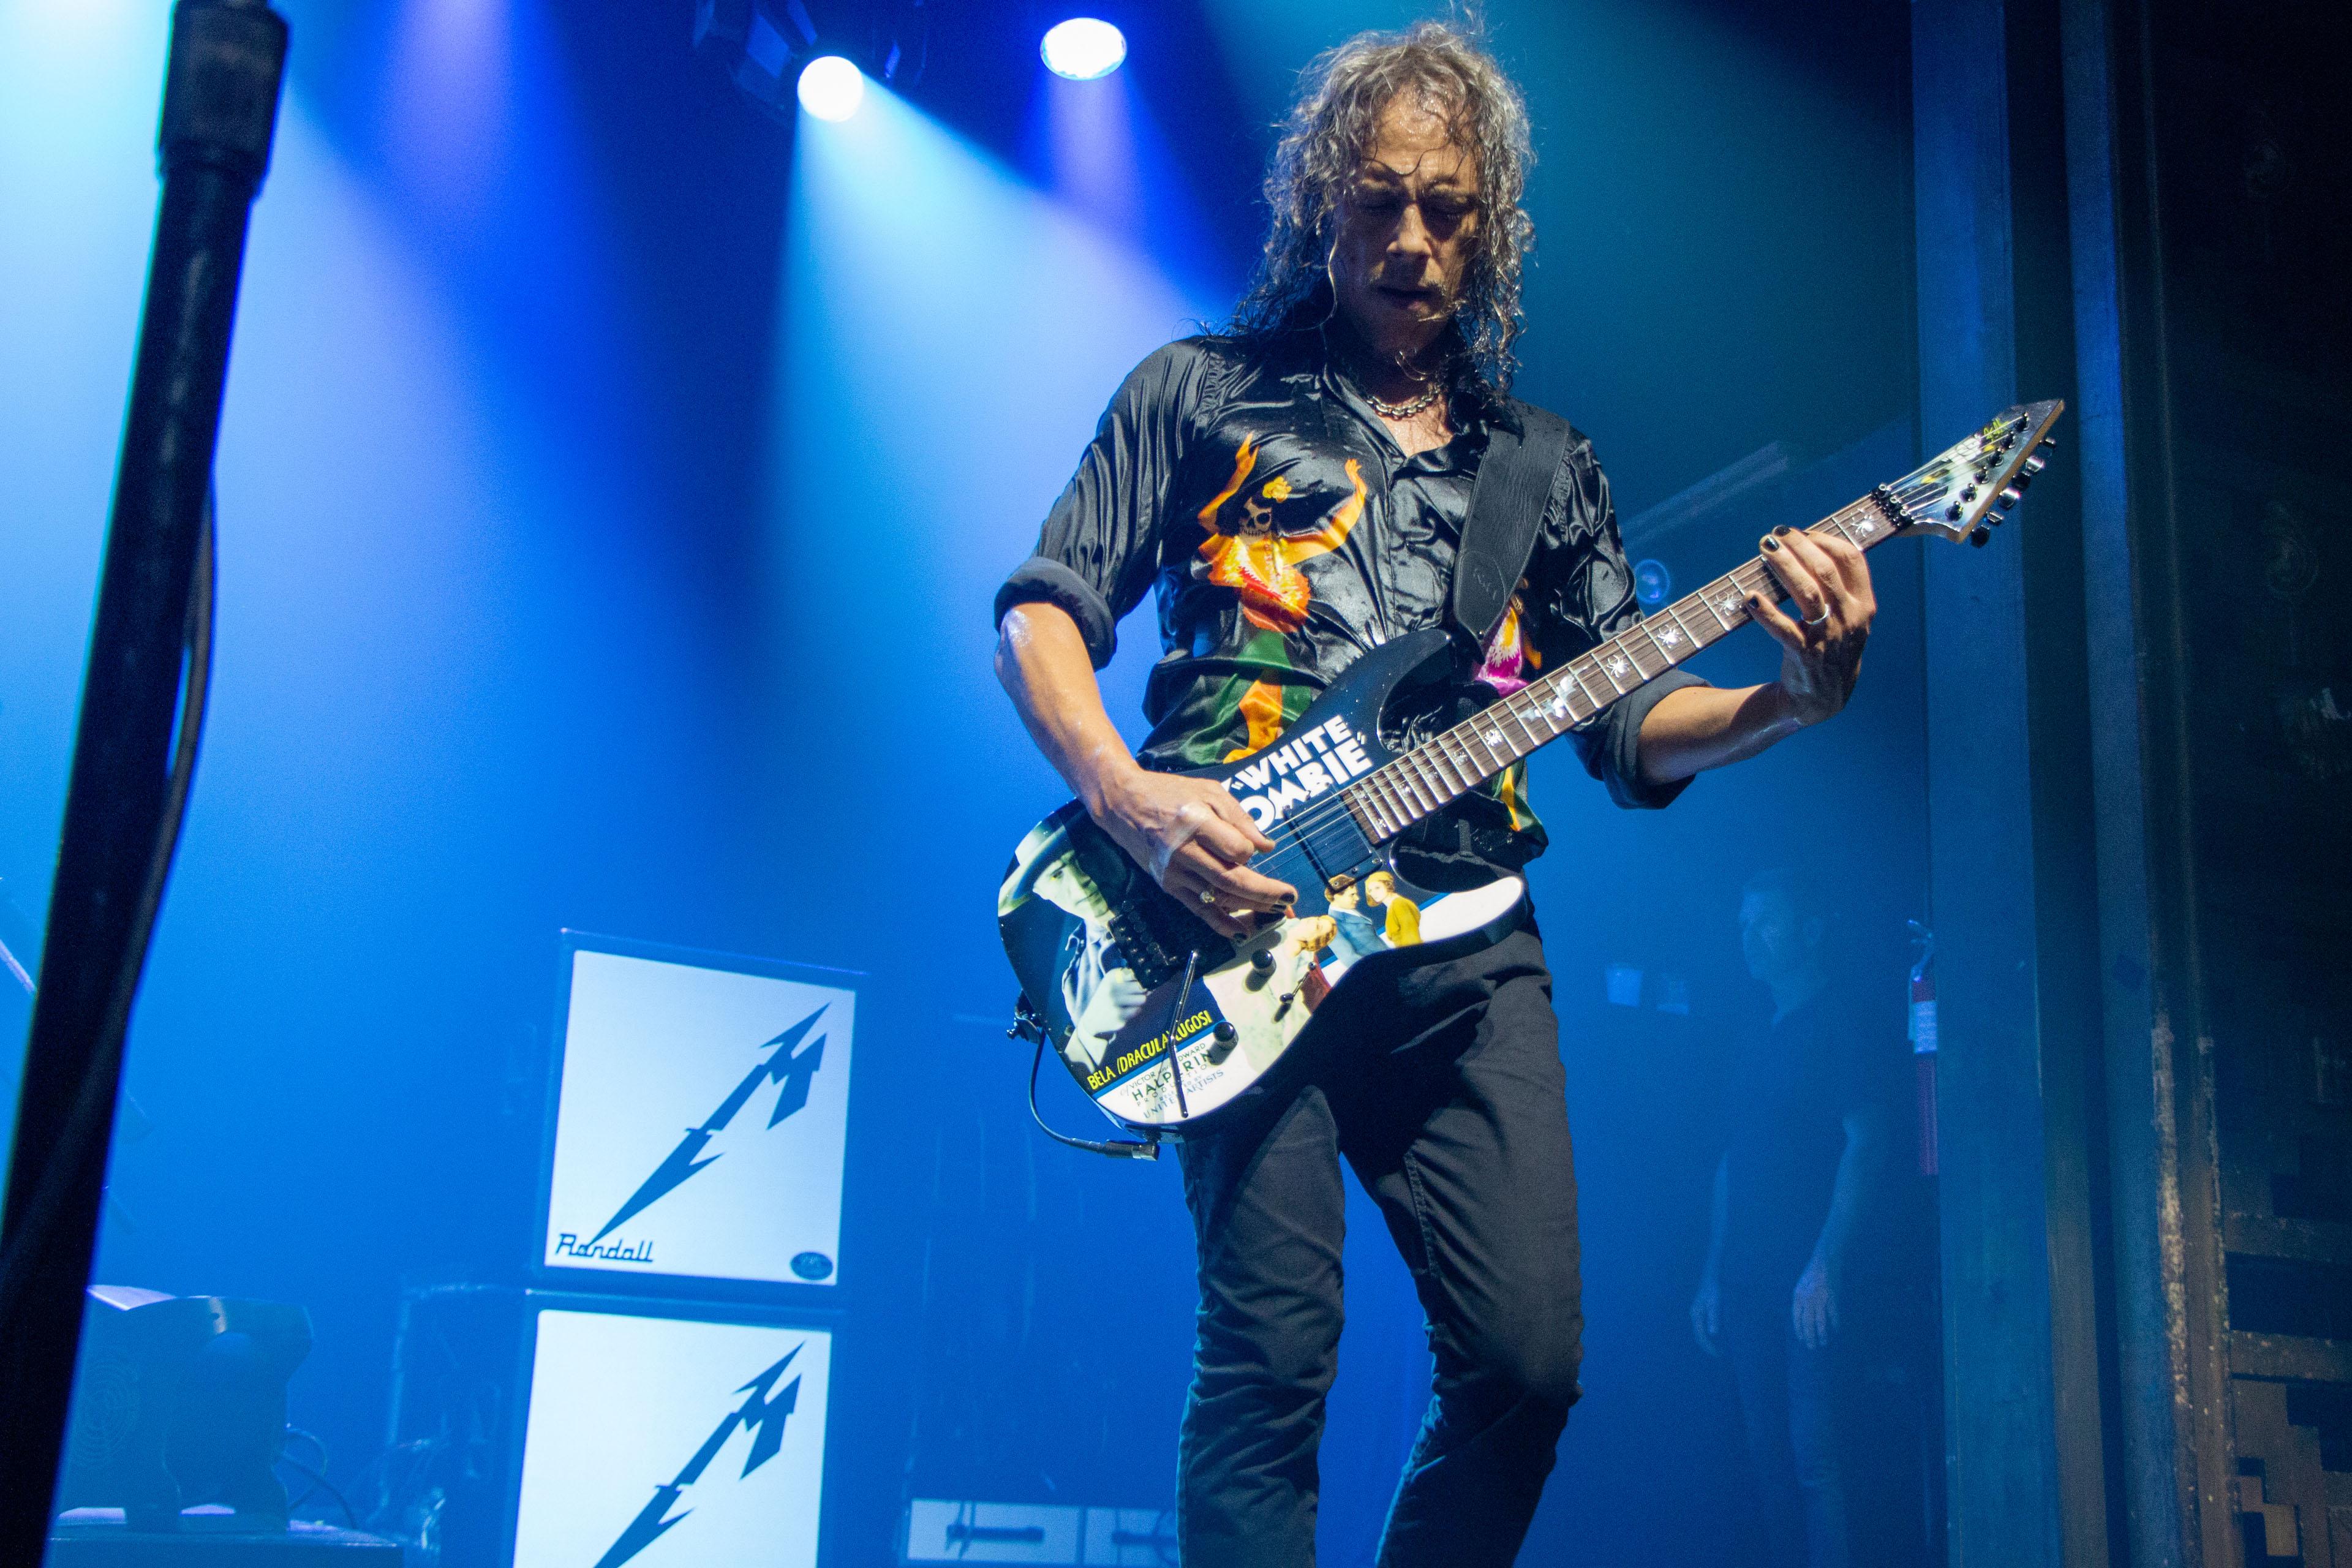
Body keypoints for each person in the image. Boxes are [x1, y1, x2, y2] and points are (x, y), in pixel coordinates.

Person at [993, 23, 1877, 1566]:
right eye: (1379, 199)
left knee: (1528, 1367)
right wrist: (1131, 798)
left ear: (1489, 227)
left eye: (1447, 207)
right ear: (1319, 204)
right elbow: (1040, 612)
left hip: (1465, 948)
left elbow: (1623, 722)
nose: (1411, 237)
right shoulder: (1197, 392)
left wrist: (1787, 702)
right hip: (1235, 923)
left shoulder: (1544, 464)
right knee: (1270, 1360)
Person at [1689, 870, 1902, 1568]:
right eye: (1743, 924)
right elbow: (1731, 1159)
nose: (1749, 937)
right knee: (1768, 1458)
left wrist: (1825, 1262)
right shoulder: (1754, 1031)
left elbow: (1867, 1143)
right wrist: (1712, 1276)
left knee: (1816, 1460)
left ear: (1809, 930)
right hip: (1747, 1281)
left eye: (1767, 922)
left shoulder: (1841, 1022)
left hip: (1807, 1281)